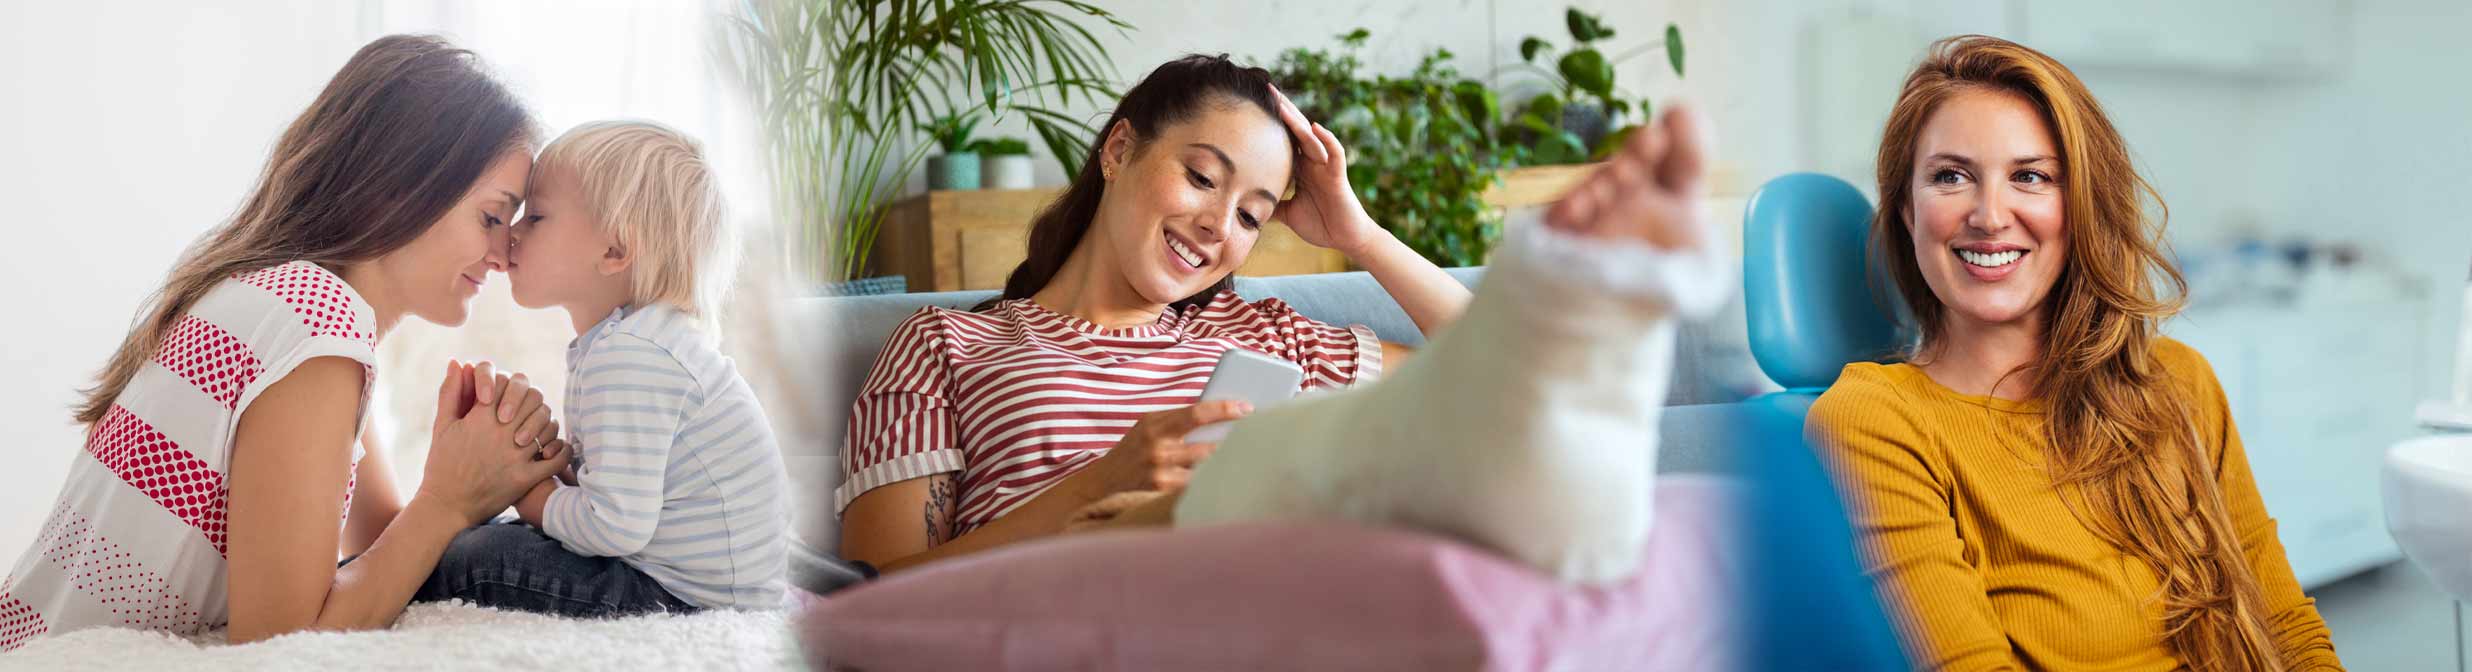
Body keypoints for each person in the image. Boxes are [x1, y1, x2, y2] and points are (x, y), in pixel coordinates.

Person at [1806, 35, 2342, 670]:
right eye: (1951, 176)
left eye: (2030, 176)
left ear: (2080, 204)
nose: (1990, 215)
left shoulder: (2178, 381)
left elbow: (2285, 625)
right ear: (1906, 210)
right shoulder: (1873, 423)